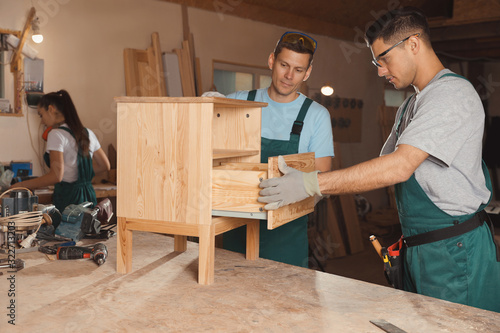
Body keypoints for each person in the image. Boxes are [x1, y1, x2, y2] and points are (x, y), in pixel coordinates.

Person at [258, 8, 500, 312]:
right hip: (421, 246)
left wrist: (311, 183)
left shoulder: (451, 95)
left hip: (454, 250)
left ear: (413, 44)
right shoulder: (412, 104)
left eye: (383, 58)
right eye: (376, 62)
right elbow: (380, 168)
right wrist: (313, 186)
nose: (379, 71)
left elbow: (399, 167)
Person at [217, 31, 334, 267]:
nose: (289, 76)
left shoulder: (316, 116)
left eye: (298, 70)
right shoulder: (239, 101)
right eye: (284, 65)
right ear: (272, 61)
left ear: (307, 72)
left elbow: (323, 180)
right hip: (234, 230)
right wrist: (209, 107)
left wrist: (297, 190)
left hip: (286, 239)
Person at [10, 90, 111, 216]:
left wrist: (21, 185)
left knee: (66, 232)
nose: (42, 121)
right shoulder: (88, 132)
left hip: (69, 199)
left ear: (51, 109)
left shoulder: (56, 134)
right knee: (87, 230)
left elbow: (55, 176)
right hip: (88, 196)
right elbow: (104, 165)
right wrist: (78, 171)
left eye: (41, 115)